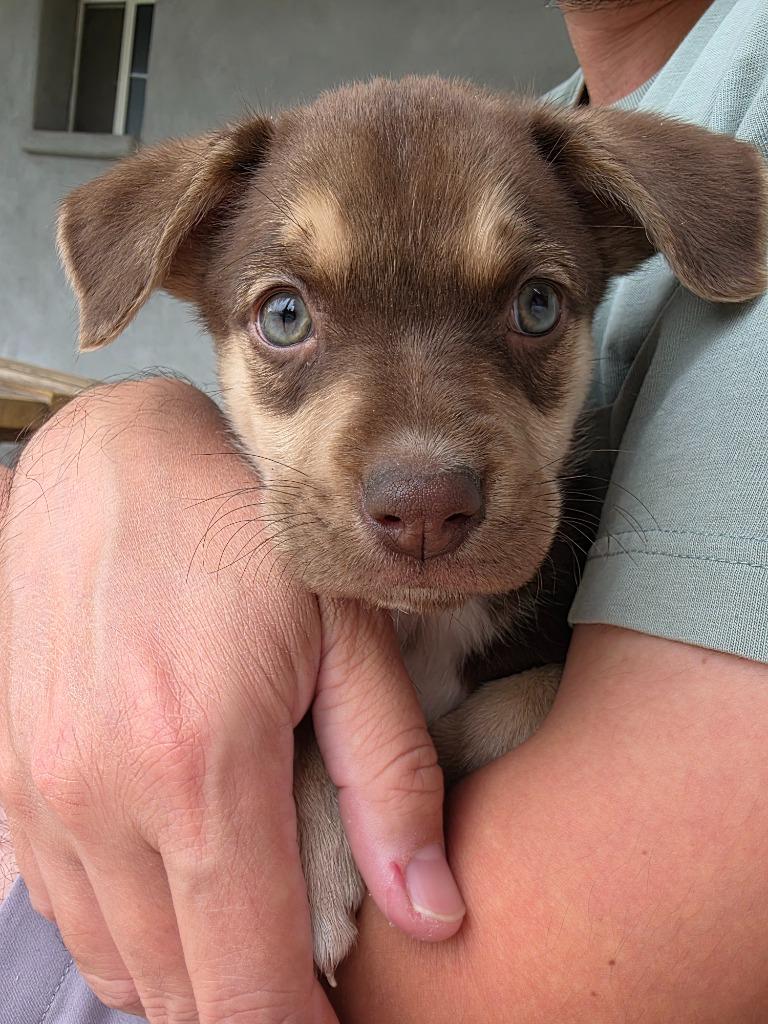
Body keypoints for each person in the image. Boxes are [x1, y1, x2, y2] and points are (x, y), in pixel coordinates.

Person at [1, 0, 767, 1021]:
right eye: (287, 317)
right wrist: (111, 436)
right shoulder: (522, 128)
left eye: (531, 308)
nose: (421, 483)